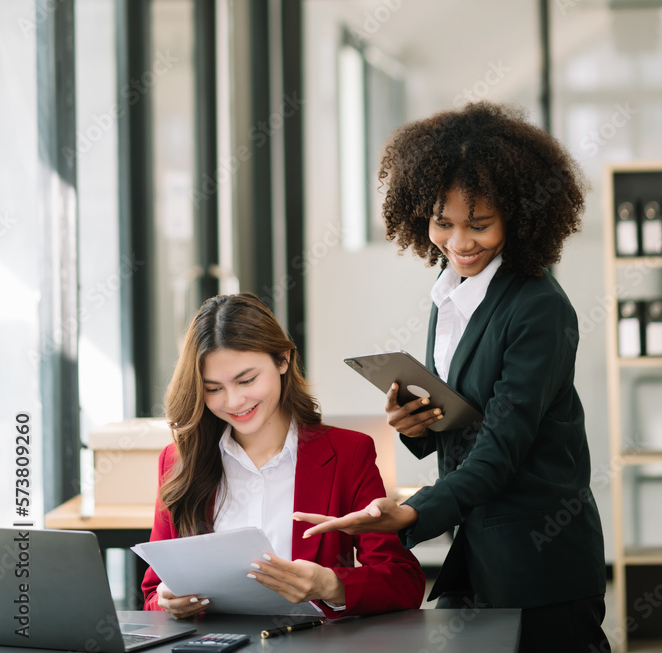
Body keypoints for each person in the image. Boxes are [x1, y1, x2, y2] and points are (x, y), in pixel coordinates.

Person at [294, 103, 608, 653]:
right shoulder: (453, 289)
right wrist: (415, 426)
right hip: (478, 548)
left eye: (480, 225)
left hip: (540, 561)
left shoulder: (538, 309)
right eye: (444, 223)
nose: (460, 242)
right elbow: (466, 418)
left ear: (519, 217)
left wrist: (413, 512)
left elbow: (501, 449)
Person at [141, 291, 425, 619]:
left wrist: (332, 585)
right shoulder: (177, 461)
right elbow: (152, 594)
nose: (233, 401)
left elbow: (405, 581)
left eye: (246, 380)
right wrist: (168, 602)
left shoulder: (348, 454)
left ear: (283, 360)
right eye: (213, 388)